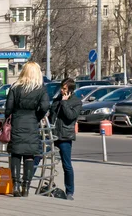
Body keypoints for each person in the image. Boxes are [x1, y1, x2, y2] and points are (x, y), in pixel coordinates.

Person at [4, 61, 50, 198]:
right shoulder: (40, 89)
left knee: (16, 154)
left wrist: (9, 119)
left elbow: (8, 108)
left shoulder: (15, 87)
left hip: (17, 122)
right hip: (32, 123)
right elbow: (45, 106)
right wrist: (37, 116)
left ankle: (16, 185)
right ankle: (26, 187)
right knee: (29, 154)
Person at [49, 78, 82, 201]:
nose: (62, 91)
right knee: (37, 156)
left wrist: (64, 102)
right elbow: (52, 114)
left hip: (65, 136)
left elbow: (70, 116)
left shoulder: (76, 102)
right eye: (61, 88)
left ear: (70, 90)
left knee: (66, 165)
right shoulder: (57, 99)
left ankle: (70, 191)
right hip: (52, 134)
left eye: (64, 89)